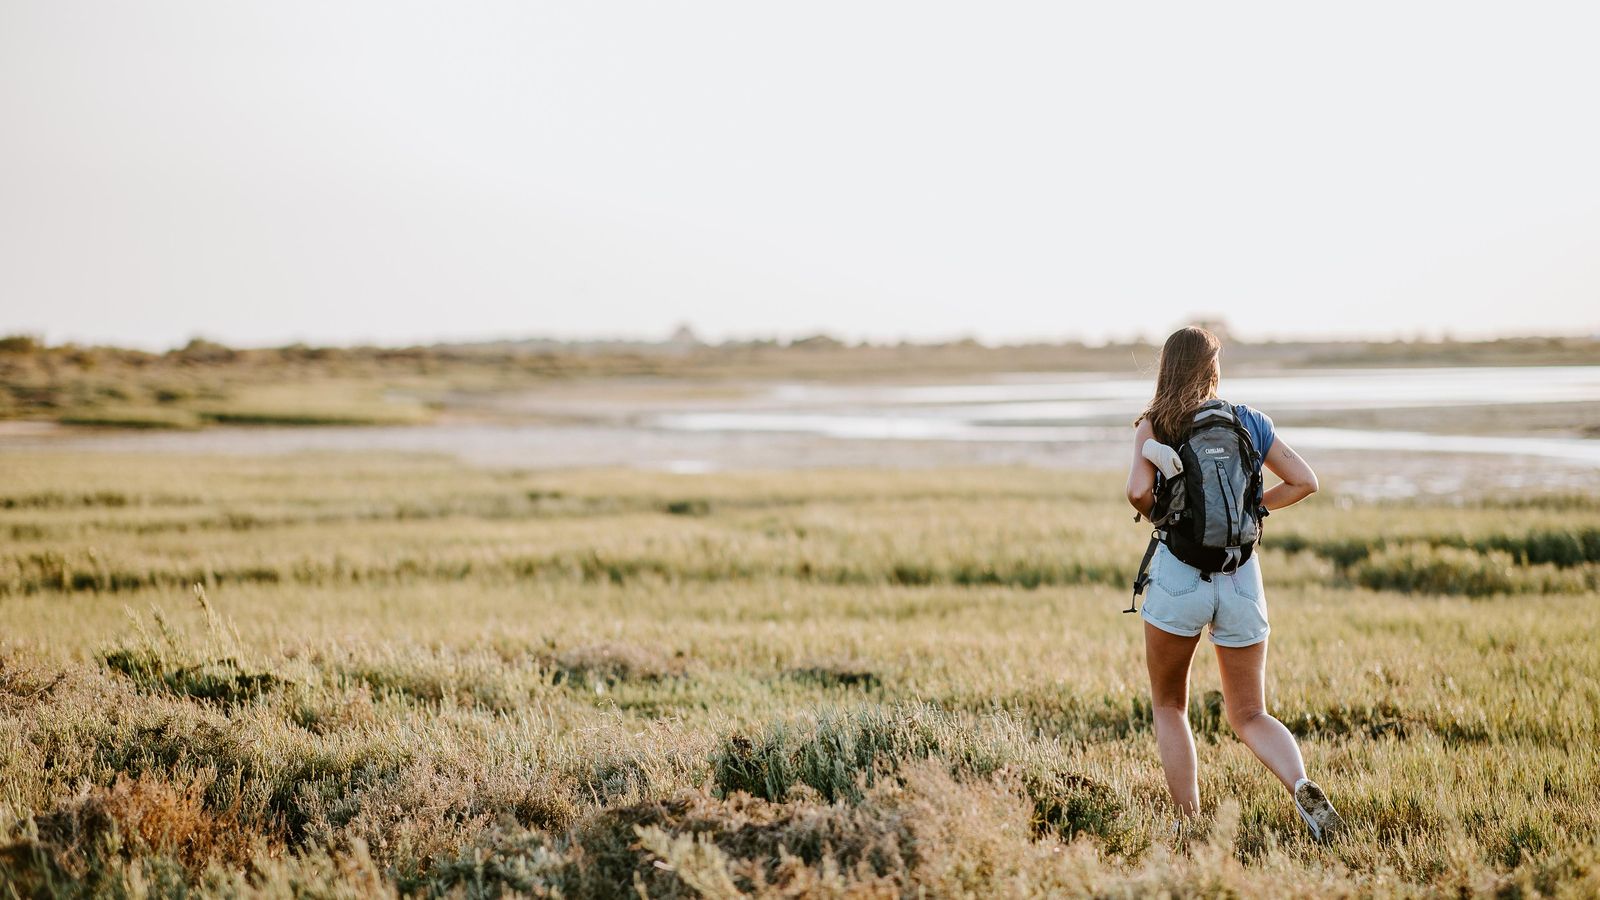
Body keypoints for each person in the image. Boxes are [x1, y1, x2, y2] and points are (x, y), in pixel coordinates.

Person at [1124, 325, 1345, 841]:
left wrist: (1167, 513)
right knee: (1249, 713)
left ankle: (1188, 825)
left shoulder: (1157, 423)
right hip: (1242, 576)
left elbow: (1137, 491)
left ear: (1168, 367)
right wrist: (1254, 506)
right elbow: (1305, 481)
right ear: (1213, 368)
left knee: (1169, 704)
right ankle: (1300, 783)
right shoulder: (1249, 421)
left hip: (1180, 576)